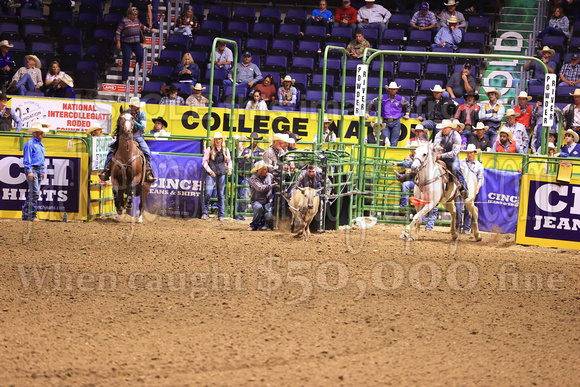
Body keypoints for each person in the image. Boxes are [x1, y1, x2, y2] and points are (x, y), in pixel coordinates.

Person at [99, 96, 156, 183]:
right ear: (131, 106)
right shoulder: (124, 114)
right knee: (111, 151)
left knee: (147, 152)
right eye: (135, 106)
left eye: (137, 106)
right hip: (124, 137)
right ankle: (106, 170)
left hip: (137, 136)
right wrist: (116, 132)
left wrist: (132, 121)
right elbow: (118, 124)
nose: (137, 108)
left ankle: (148, 172)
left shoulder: (142, 114)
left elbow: (142, 128)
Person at [392, 140, 439, 230]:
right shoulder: (418, 156)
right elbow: (410, 164)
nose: (413, 150)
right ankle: (423, 222)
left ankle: (429, 225)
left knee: (433, 204)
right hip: (422, 181)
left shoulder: (428, 154)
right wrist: (399, 163)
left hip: (430, 181)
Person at [433, 119, 469, 199]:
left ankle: (464, 188)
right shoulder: (439, 134)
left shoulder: (456, 136)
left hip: (452, 157)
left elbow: (454, 153)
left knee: (455, 168)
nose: (443, 129)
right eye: (442, 128)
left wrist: (441, 155)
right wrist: (438, 147)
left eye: (445, 128)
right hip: (441, 154)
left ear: (450, 128)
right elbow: (436, 143)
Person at [115, 8, 153, 82]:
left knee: (141, 56)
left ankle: (136, 71)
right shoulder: (124, 21)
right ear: (129, 15)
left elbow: (142, 26)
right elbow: (118, 32)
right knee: (127, 61)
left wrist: (149, 30)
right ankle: (124, 79)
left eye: (136, 15)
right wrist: (118, 42)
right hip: (126, 43)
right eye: (133, 15)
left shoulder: (136, 20)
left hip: (136, 43)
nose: (135, 16)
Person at [202, 132, 232, 221]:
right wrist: (210, 171)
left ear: (221, 140)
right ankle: (204, 212)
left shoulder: (225, 150)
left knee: (221, 194)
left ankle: (221, 215)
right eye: (216, 139)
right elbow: (204, 161)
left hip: (221, 173)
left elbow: (229, 161)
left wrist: (230, 169)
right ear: (214, 140)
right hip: (212, 173)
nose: (218, 141)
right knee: (208, 193)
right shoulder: (210, 149)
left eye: (219, 139)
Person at [21, 122, 48, 222]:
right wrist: (29, 171)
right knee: (35, 193)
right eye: (40, 133)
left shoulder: (40, 144)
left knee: (34, 193)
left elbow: (42, 158)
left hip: (38, 169)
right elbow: (27, 159)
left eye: (42, 133)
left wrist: (43, 170)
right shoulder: (30, 144)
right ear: (35, 133)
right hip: (33, 169)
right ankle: (31, 216)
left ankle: (26, 216)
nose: (42, 135)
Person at [455, 144, 484, 234]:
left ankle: (466, 228)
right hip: (461, 188)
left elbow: (480, 179)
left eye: (471, 152)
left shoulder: (479, 166)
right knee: (458, 208)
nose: (469, 154)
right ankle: (458, 227)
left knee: (469, 209)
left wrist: (477, 189)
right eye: (468, 152)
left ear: (475, 153)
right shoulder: (460, 162)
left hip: (472, 189)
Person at [236, 133, 264, 220]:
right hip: (247, 174)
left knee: (257, 195)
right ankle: (241, 215)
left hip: (257, 176)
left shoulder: (261, 151)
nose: (253, 141)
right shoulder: (246, 150)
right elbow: (240, 163)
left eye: (255, 139)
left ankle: (256, 215)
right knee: (243, 194)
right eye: (252, 139)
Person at [378, 82, 411, 147]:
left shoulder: (401, 99)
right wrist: (367, 112)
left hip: (396, 121)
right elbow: (372, 103)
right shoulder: (382, 97)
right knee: (385, 140)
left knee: (394, 141)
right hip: (385, 121)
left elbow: (408, 105)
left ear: (396, 90)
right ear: (388, 89)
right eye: (391, 89)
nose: (392, 90)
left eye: (394, 89)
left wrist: (407, 114)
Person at [248, 160, 276, 231]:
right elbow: (260, 188)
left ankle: (267, 225)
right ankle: (254, 225)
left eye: (267, 169)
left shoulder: (270, 176)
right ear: (259, 170)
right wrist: (271, 185)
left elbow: (275, 183)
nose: (266, 170)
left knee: (269, 215)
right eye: (264, 169)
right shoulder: (253, 178)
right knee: (258, 208)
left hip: (268, 201)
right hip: (257, 200)